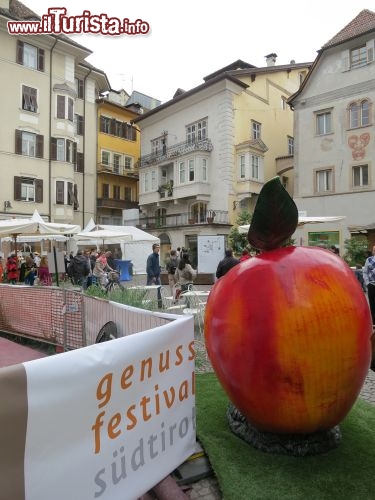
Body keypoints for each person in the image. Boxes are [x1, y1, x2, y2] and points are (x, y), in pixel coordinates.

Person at [363, 245, 375, 326]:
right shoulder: (369, 260)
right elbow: (365, 272)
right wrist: (367, 283)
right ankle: (374, 323)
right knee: (373, 305)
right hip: (372, 285)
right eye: (374, 250)